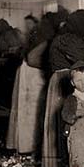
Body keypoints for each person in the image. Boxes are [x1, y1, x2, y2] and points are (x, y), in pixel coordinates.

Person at [43, 9, 84, 167]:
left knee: (62, 123)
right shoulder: (69, 39)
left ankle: (64, 164)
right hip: (64, 80)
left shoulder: (66, 36)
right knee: (67, 123)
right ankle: (67, 165)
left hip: (60, 79)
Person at [6, 14, 54, 156]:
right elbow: (33, 59)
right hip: (32, 75)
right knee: (31, 111)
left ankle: (24, 145)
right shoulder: (45, 36)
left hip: (28, 73)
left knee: (26, 111)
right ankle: (28, 146)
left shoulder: (37, 33)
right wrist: (48, 67)